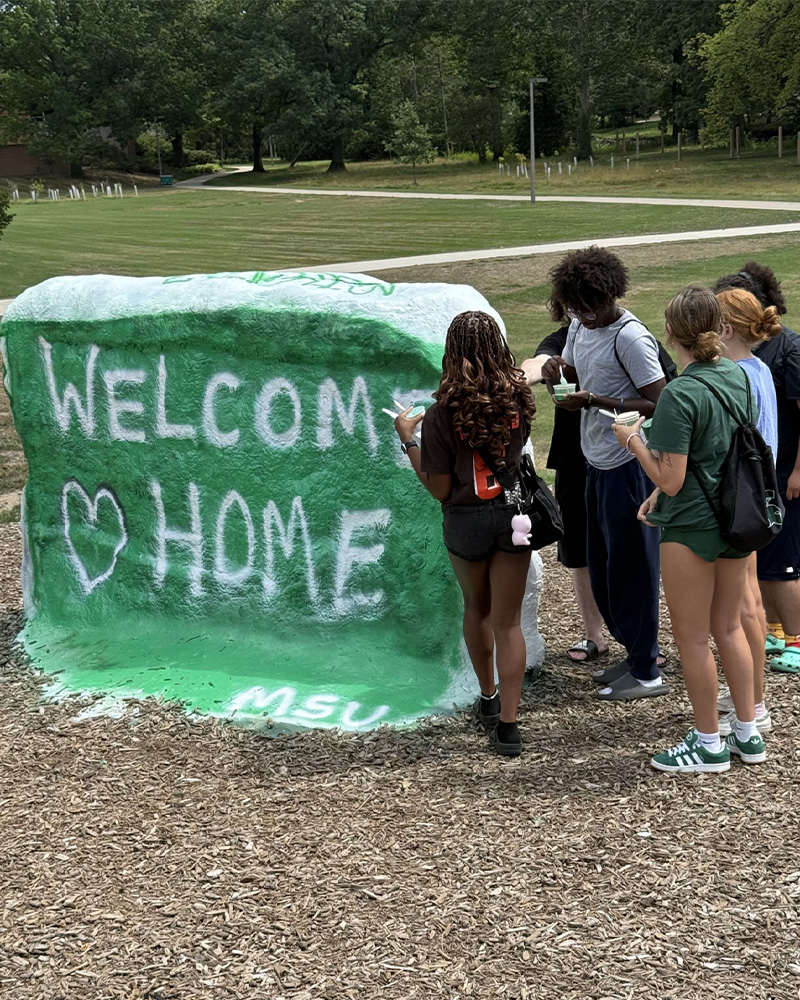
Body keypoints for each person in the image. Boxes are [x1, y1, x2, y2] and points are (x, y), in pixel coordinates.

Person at [613, 286, 766, 773]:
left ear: (671, 333)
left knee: (693, 639)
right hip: (736, 517)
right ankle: (749, 732)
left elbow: (672, 478)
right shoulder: (737, 376)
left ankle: (708, 743)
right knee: (729, 627)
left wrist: (632, 440)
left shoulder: (681, 392)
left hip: (692, 526)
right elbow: (718, 450)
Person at [394, 310, 535, 757]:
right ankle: (509, 727)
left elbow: (438, 488)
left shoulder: (439, 415)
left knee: (478, 608)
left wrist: (407, 440)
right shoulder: (520, 401)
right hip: (513, 517)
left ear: (452, 353)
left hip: (466, 521)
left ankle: (488, 698)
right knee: (509, 622)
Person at [540, 247, 668, 700]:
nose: (583, 315)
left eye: (590, 307)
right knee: (603, 567)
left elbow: (660, 400)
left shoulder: (629, 337)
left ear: (609, 295)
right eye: (575, 307)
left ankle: (648, 670)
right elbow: (572, 374)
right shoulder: (579, 324)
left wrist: (595, 401)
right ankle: (634, 654)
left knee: (634, 568)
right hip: (595, 459)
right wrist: (559, 373)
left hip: (629, 464)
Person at [713, 262, 800, 675]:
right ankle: (769, 629)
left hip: (780, 475)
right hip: (760, 475)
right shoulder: (748, 360)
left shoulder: (785, 352)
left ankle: (796, 638)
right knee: (761, 561)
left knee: (785, 564)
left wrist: (798, 473)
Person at [715, 287, 781, 738]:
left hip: (741, 499)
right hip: (760, 495)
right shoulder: (759, 368)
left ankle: (753, 705)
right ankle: (752, 695)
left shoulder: (737, 374)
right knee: (750, 601)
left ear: (726, 329)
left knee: (741, 608)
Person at [521, 327, 608, 664]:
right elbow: (538, 362)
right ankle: (594, 636)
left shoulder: (627, 334)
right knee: (579, 553)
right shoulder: (564, 337)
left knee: (625, 549)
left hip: (620, 456)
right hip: (574, 460)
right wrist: (523, 376)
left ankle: (639, 640)